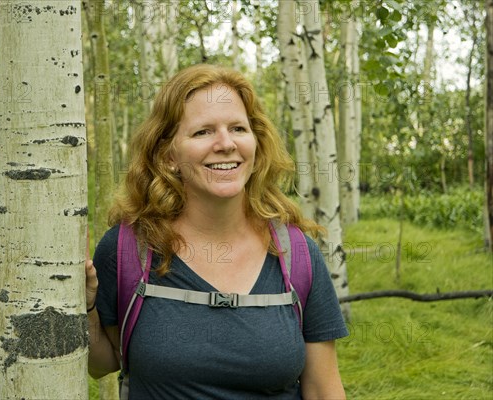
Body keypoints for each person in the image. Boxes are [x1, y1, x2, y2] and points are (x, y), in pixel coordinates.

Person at [85, 64, 348, 399]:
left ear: (256, 142)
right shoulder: (128, 249)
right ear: (168, 155)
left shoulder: (297, 255)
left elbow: (324, 389)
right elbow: (102, 363)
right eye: (203, 132)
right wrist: (88, 307)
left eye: (238, 128)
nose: (226, 144)